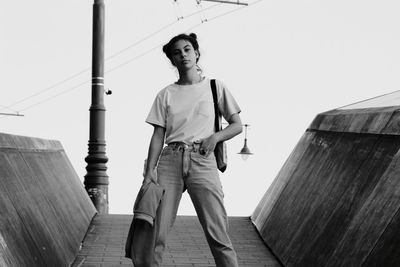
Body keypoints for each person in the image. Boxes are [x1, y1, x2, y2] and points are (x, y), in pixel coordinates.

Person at [143, 33, 242, 267]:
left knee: (218, 232)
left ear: (196, 53)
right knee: (156, 234)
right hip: (170, 161)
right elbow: (158, 135)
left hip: (202, 159)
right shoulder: (165, 94)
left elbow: (236, 125)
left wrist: (215, 138)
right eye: (177, 53)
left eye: (187, 49)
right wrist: (150, 171)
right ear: (172, 60)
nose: (183, 55)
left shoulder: (215, 87)